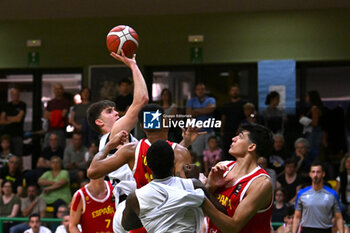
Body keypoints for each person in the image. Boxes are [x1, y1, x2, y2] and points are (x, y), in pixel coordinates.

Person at [121, 140, 224, 232]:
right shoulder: (193, 185)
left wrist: (153, 216)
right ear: (173, 163)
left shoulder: (135, 198)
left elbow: (127, 225)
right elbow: (222, 214)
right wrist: (196, 182)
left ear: (148, 164)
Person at [86, 51, 149, 189]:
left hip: (130, 197)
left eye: (115, 110)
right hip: (130, 198)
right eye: (109, 111)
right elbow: (142, 100)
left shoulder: (115, 138)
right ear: (99, 122)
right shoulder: (114, 133)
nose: (116, 114)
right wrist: (133, 66)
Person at [201, 123, 274, 233]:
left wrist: (200, 194)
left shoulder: (260, 183)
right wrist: (210, 186)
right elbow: (203, 213)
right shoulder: (223, 167)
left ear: (251, 146)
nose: (233, 139)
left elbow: (233, 227)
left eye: (240, 137)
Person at [292, 161, 344, 233]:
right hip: (307, 230)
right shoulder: (301, 193)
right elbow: (297, 217)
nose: (315, 175)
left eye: (318, 172)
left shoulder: (332, 194)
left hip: (325, 230)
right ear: (310, 174)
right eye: (313, 172)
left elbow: (338, 218)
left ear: (323, 174)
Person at [186, 83, 216, 160]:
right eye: (198, 89)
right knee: (197, 156)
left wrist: (195, 110)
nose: (200, 91)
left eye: (202, 89)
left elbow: (210, 110)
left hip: (209, 131)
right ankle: (198, 171)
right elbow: (189, 114)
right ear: (195, 91)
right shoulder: (191, 101)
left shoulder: (211, 100)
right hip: (196, 132)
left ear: (205, 91)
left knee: (210, 156)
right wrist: (204, 110)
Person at [220, 84, 247, 160]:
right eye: (233, 90)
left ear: (239, 92)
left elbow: (248, 116)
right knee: (228, 152)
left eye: (236, 90)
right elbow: (223, 118)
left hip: (240, 132)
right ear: (230, 92)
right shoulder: (226, 105)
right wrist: (222, 131)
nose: (234, 92)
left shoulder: (244, 104)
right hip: (228, 132)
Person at [0, 87, 26, 156]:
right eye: (13, 94)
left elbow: (18, 119)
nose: (15, 96)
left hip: (17, 134)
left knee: (18, 155)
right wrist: (14, 118)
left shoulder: (22, 105)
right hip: (7, 134)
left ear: (19, 95)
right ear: (11, 95)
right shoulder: (7, 105)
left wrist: (7, 118)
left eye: (16, 94)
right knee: (6, 154)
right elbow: (1, 120)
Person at [43, 83, 70, 149]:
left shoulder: (65, 102)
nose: (58, 91)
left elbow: (62, 115)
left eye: (59, 89)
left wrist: (52, 114)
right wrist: (58, 113)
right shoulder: (50, 102)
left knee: (60, 150)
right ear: (54, 90)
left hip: (60, 131)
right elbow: (45, 116)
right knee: (47, 149)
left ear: (62, 90)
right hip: (50, 130)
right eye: (56, 89)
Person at [299, 90, 325, 154]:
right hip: (310, 131)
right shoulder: (310, 108)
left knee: (312, 150)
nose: (306, 98)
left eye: (307, 96)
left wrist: (304, 120)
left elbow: (315, 123)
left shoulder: (314, 108)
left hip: (314, 133)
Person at [335, 153, 350, 220]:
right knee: (335, 211)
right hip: (343, 202)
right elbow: (337, 191)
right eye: (347, 161)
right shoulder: (341, 176)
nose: (349, 163)